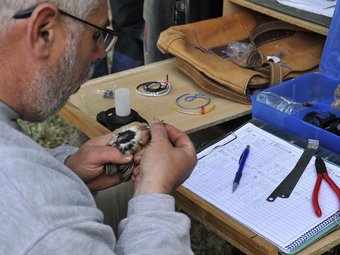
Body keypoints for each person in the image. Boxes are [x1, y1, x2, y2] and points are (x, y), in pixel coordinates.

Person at [0, 0, 197, 254]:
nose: (100, 53)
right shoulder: (45, 225)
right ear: (43, 31)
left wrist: (65, 170)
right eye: (95, 35)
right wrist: (153, 194)